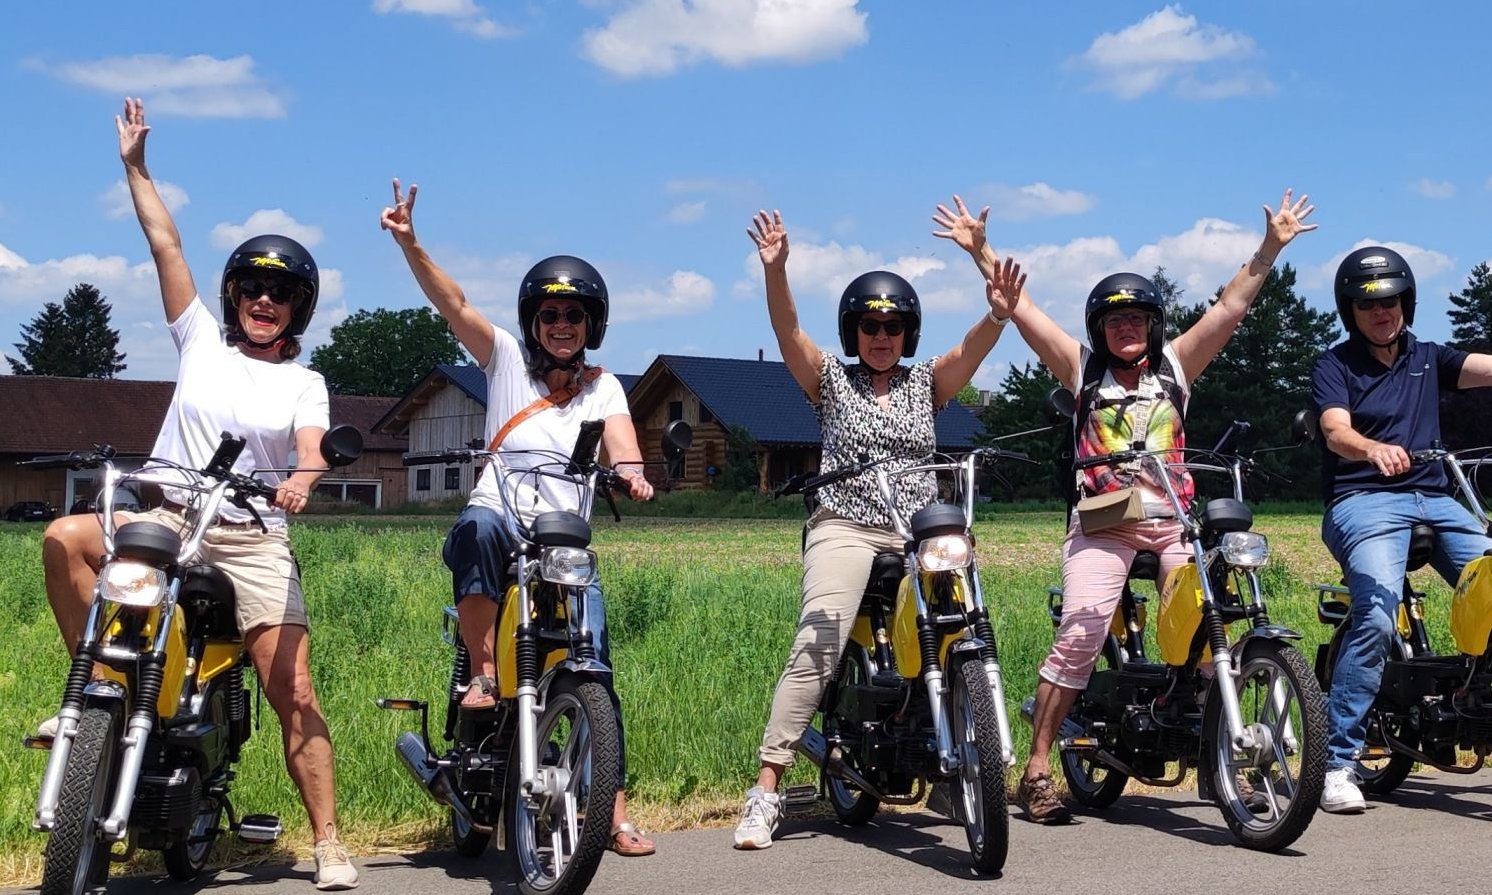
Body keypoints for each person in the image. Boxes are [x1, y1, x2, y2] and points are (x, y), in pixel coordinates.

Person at [36, 99, 356, 889]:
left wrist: (300, 481)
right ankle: (98, 687)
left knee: (294, 689)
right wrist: (135, 167)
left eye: (280, 294)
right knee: (66, 537)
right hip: (170, 517)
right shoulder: (200, 343)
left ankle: (327, 840)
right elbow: (166, 244)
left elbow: (312, 449)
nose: (264, 301)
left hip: (251, 535)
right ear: (233, 295)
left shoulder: (304, 381)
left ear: (298, 308)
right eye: (252, 288)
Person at [983, 192, 1316, 824]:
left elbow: (1231, 307)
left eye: (1136, 318)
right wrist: (980, 250)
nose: (1126, 328)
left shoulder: (1176, 367)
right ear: (1098, 331)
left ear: (1154, 325)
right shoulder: (1082, 370)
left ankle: (1219, 753)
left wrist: (1271, 246)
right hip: (1104, 523)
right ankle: (1036, 769)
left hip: (1172, 524)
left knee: (1207, 623)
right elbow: (1022, 309)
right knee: (1081, 630)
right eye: (1114, 321)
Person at [379, 184, 666, 853]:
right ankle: (483, 672)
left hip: (562, 540)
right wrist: (410, 243)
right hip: (503, 522)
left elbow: (623, 441)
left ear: (591, 325)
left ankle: (613, 813)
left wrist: (633, 473)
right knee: (476, 527)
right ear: (533, 323)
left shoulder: (604, 386)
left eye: (573, 316)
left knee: (596, 672)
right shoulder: (506, 360)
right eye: (549, 315)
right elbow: (454, 305)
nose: (561, 325)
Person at [730, 205, 1025, 849]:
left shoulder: (926, 385)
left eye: (893, 325)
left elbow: (968, 351)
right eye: (870, 325)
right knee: (820, 639)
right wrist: (776, 271)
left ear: (907, 332)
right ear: (854, 331)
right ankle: (767, 790)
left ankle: (952, 755)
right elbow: (788, 332)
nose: (881, 336)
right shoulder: (831, 382)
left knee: (963, 623)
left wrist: (999, 314)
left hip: (919, 530)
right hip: (846, 523)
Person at [1309, 242, 1492, 815]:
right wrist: (1372, 449)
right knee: (1376, 615)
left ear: (1408, 302)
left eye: (1392, 301)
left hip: (1436, 498)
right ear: (1350, 310)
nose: (1382, 312)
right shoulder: (1334, 364)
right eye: (1368, 304)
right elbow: (1334, 431)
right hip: (1362, 500)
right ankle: (1339, 765)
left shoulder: (1428, 357)